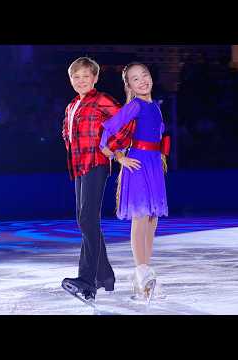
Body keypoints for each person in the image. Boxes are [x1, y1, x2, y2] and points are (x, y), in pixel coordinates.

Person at [61, 57, 135, 302]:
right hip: (79, 166)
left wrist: (111, 147)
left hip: (96, 164)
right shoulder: (72, 105)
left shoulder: (101, 100)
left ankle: (87, 280)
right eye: (76, 77)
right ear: (71, 80)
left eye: (85, 76)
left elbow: (126, 122)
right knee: (85, 219)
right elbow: (67, 132)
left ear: (94, 78)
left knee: (86, 218)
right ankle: (105, 275)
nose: (81, 81)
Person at [99, 62, 171, 302]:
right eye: (135, 79)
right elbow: (108, 130)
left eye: (145, 76)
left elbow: (159, 135)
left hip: (153, 164)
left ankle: (146, 274)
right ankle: (141, 273)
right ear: (128, 85)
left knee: (152, 220)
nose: (142, 81)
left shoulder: (155, 107)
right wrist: (119, 157)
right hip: (138, 163)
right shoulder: (134, 106)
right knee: (141, 219)